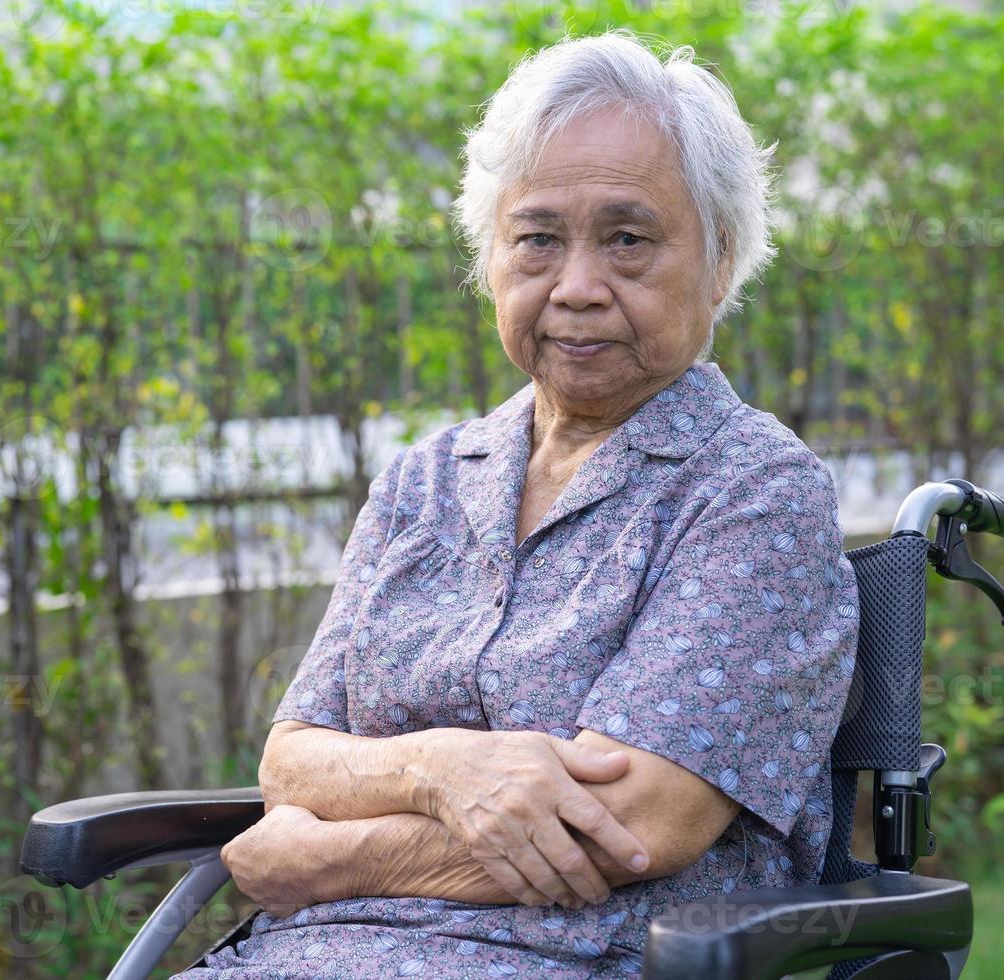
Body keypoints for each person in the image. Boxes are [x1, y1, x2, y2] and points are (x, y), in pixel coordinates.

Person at [181, 28, 858, 978]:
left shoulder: (752, 492)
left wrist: (329, 855)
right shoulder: (423, 481)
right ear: (488, 259)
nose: (577, 288)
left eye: (628, 240)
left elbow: (631, 826)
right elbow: (293, 758)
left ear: (720, 261)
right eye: (538, 239)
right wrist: (444, 768)